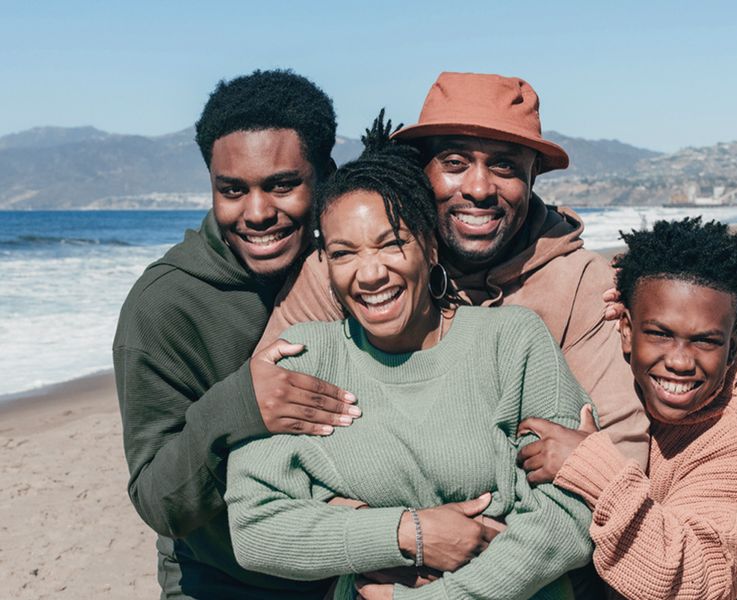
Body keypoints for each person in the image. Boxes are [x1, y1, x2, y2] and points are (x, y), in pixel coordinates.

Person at [225, 116, 593, 600]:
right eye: (343, 253)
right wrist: (407, 533)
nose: (370, 273)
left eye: (392, 243)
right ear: (326, 265)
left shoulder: (512, 343)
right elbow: (255, 529)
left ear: (430, 245)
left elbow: (568, 515)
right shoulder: (305, 357)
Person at [261, 71, 650, 472]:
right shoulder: (348, 268)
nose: (479, 188)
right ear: (420, 169)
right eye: (455, 163)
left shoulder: (581, 285)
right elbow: (270, 417)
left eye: (504, 166)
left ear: (532, 177)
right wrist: (392, 527)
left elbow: (619, 455)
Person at [113, 70, 363, 598]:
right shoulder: (164, 306)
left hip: (358, 568)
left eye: (282, 185)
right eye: (233, 190)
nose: (257, 213)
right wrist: (241, 407)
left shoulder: (362, 271)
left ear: (324, 176)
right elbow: (158, 501)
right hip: (225, 580)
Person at [517, 218, 737, 599]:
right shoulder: (625, 374)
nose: (679, 361)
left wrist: (591, 466)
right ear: (625, 329)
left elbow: (692, 578)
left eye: (705, 341)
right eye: (660, 333)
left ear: (733, 345)